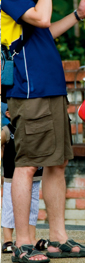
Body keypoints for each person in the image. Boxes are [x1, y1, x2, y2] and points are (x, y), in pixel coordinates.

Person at [1, 0, 85, 263]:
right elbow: (41, 17)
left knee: (58, 162)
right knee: (27, 165)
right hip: (29, 91)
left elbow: (45, 30)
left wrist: (77, 15)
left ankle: (58, 237)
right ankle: (23, 243)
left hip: (52, 87)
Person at [1, 103, 46, 254]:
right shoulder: (7, 131)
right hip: (11, 177)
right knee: (9, 207)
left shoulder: (33, 128)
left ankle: (32, 237)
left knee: (32, 207)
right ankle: (7, 239)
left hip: (35, 175)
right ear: (8, 114)